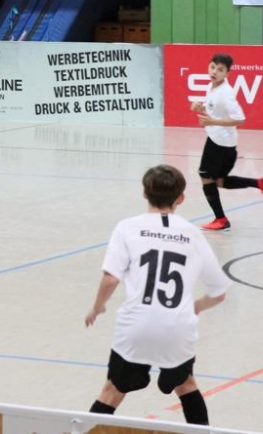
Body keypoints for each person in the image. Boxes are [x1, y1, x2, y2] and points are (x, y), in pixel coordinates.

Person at [85, 164, 231, 426]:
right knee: (186, 385)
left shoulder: (127, 227)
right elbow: (219, 293)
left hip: (135, 327)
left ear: (144, 193)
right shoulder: (192, 234)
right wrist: (195, 307)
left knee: (111, 391)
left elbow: (110, 278)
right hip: (177, 328)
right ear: (181, 198)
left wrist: (97, 307)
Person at [191, 52, 263, 231]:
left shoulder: (225, 93)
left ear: (228, 73)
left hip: (218, 143)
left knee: (206, 178)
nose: (214, 72)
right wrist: (201, 108)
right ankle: (260, 183)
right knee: (219, 181)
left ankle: (221, 219)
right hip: (224, 142)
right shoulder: (212, 86)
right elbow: (215, 110)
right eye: (213, 67)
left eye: (220, 70)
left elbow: (240, 118)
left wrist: (213, 121)